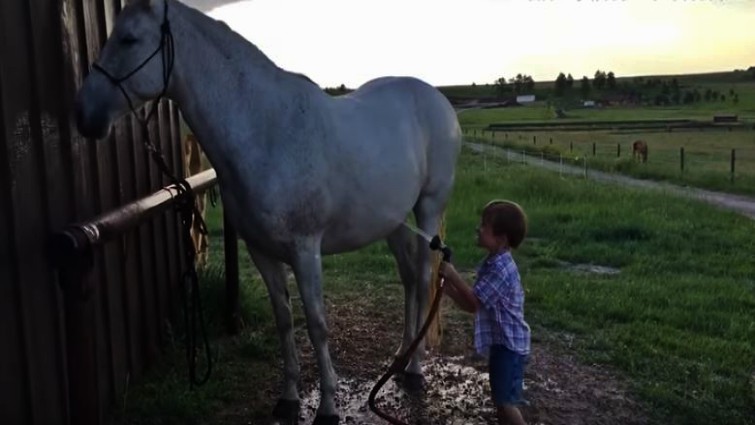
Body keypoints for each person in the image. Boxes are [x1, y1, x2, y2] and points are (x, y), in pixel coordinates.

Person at [439, 200, 530, 425]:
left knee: (506, 403)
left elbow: (474, 299)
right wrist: (448, 291)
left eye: (485, 225)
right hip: (502, 345)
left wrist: (452, 275)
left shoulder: (501, 268)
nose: (478, 228)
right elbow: (473, 306)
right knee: (500, 400)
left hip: (510, 347)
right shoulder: (492, 261)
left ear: (501, 238)